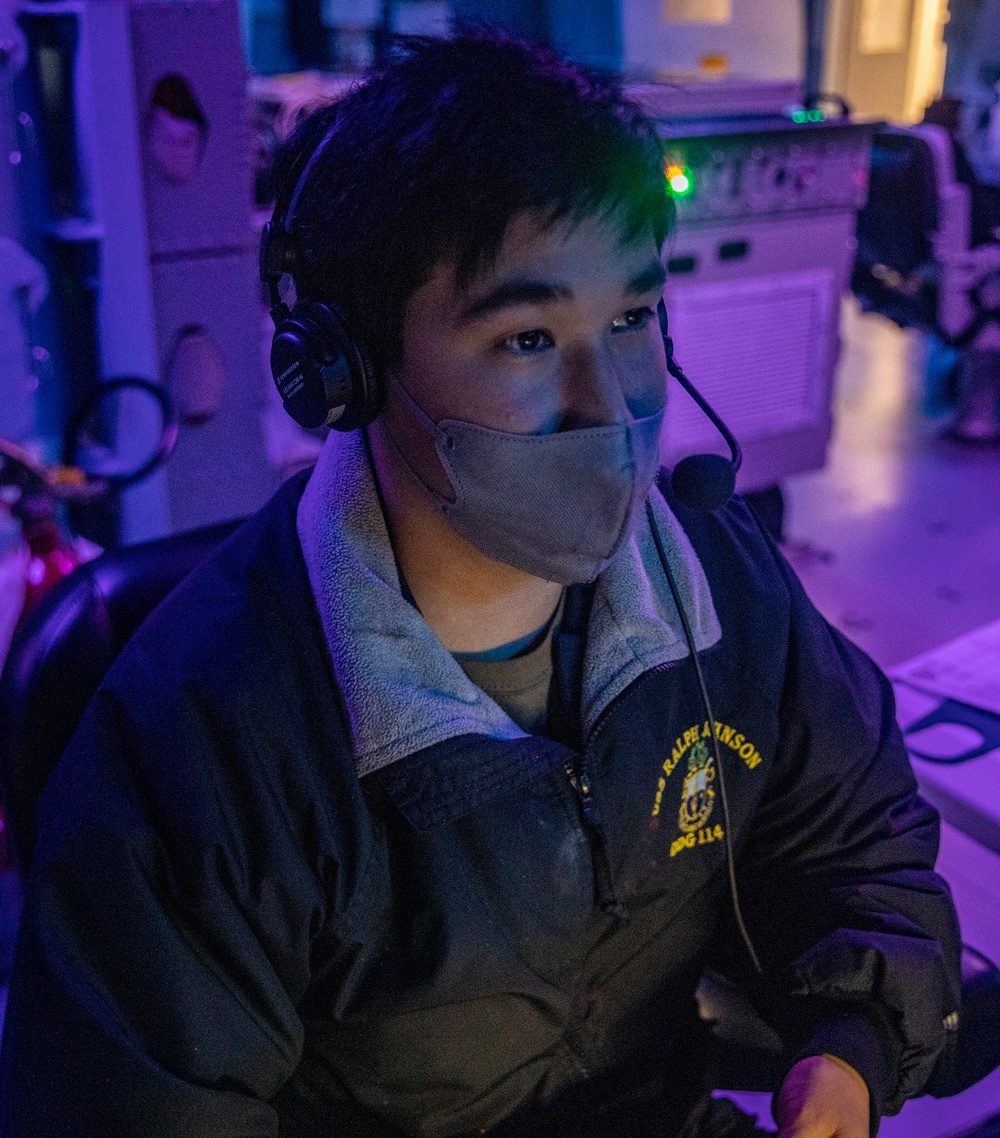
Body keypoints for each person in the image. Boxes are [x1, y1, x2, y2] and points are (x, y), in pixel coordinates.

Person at [0, 32, 962, 1138]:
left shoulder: (714, 574)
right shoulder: (201, 742)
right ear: (344, 368)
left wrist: (846, 1044)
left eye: (633, 319)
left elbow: (853, 840)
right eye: (526, 338)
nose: (609, 407)